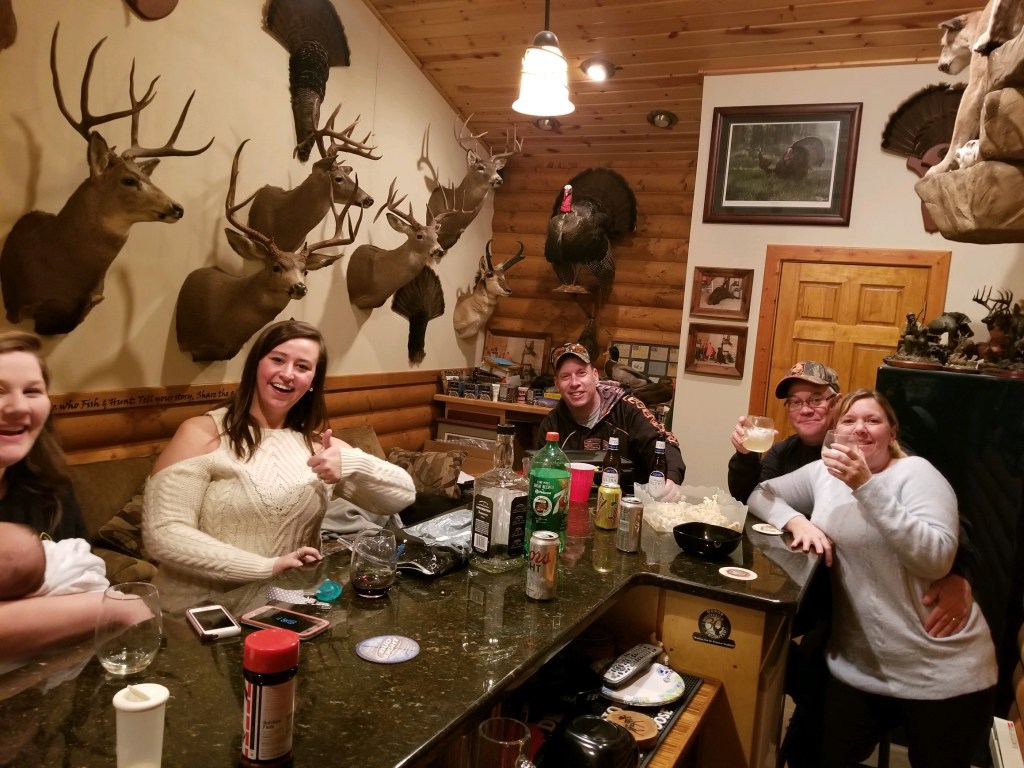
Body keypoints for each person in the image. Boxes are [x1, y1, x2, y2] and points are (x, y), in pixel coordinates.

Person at [728, 361, 975, 768]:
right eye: (796, 402)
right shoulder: (790, 454)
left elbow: (949, 529)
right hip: (825, 601)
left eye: (816, 399)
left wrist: (960, 576)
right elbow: (751, 492)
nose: (805, 409)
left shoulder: (893, 463)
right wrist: (794, 518)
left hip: (890, 621)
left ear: (835, 404)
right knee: (760, 646)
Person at [143, 320, 415, 603]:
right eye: (277, 359)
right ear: (255, 365)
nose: (287, 374)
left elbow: (402, 495)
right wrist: (266, 567)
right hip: (200, 611)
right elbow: (164, 533)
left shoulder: (318, 447)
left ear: (313, 382)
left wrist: (353, 463)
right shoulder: (203, 432)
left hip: (284, 605)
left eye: (302, 366)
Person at [0, 331, 112, 661]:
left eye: (32, 391)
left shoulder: (52, 489)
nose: (19, 406)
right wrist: (116, 608)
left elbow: (85, 574)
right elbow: (114, 605)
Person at [538, 341, 685, 489]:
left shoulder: (628, 410)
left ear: (595, 376)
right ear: (557, 384)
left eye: (581, 373)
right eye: (565, 376)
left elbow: (664, 443)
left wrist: (671, 480)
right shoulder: (551, 425)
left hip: (628, 499)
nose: (575, 383)